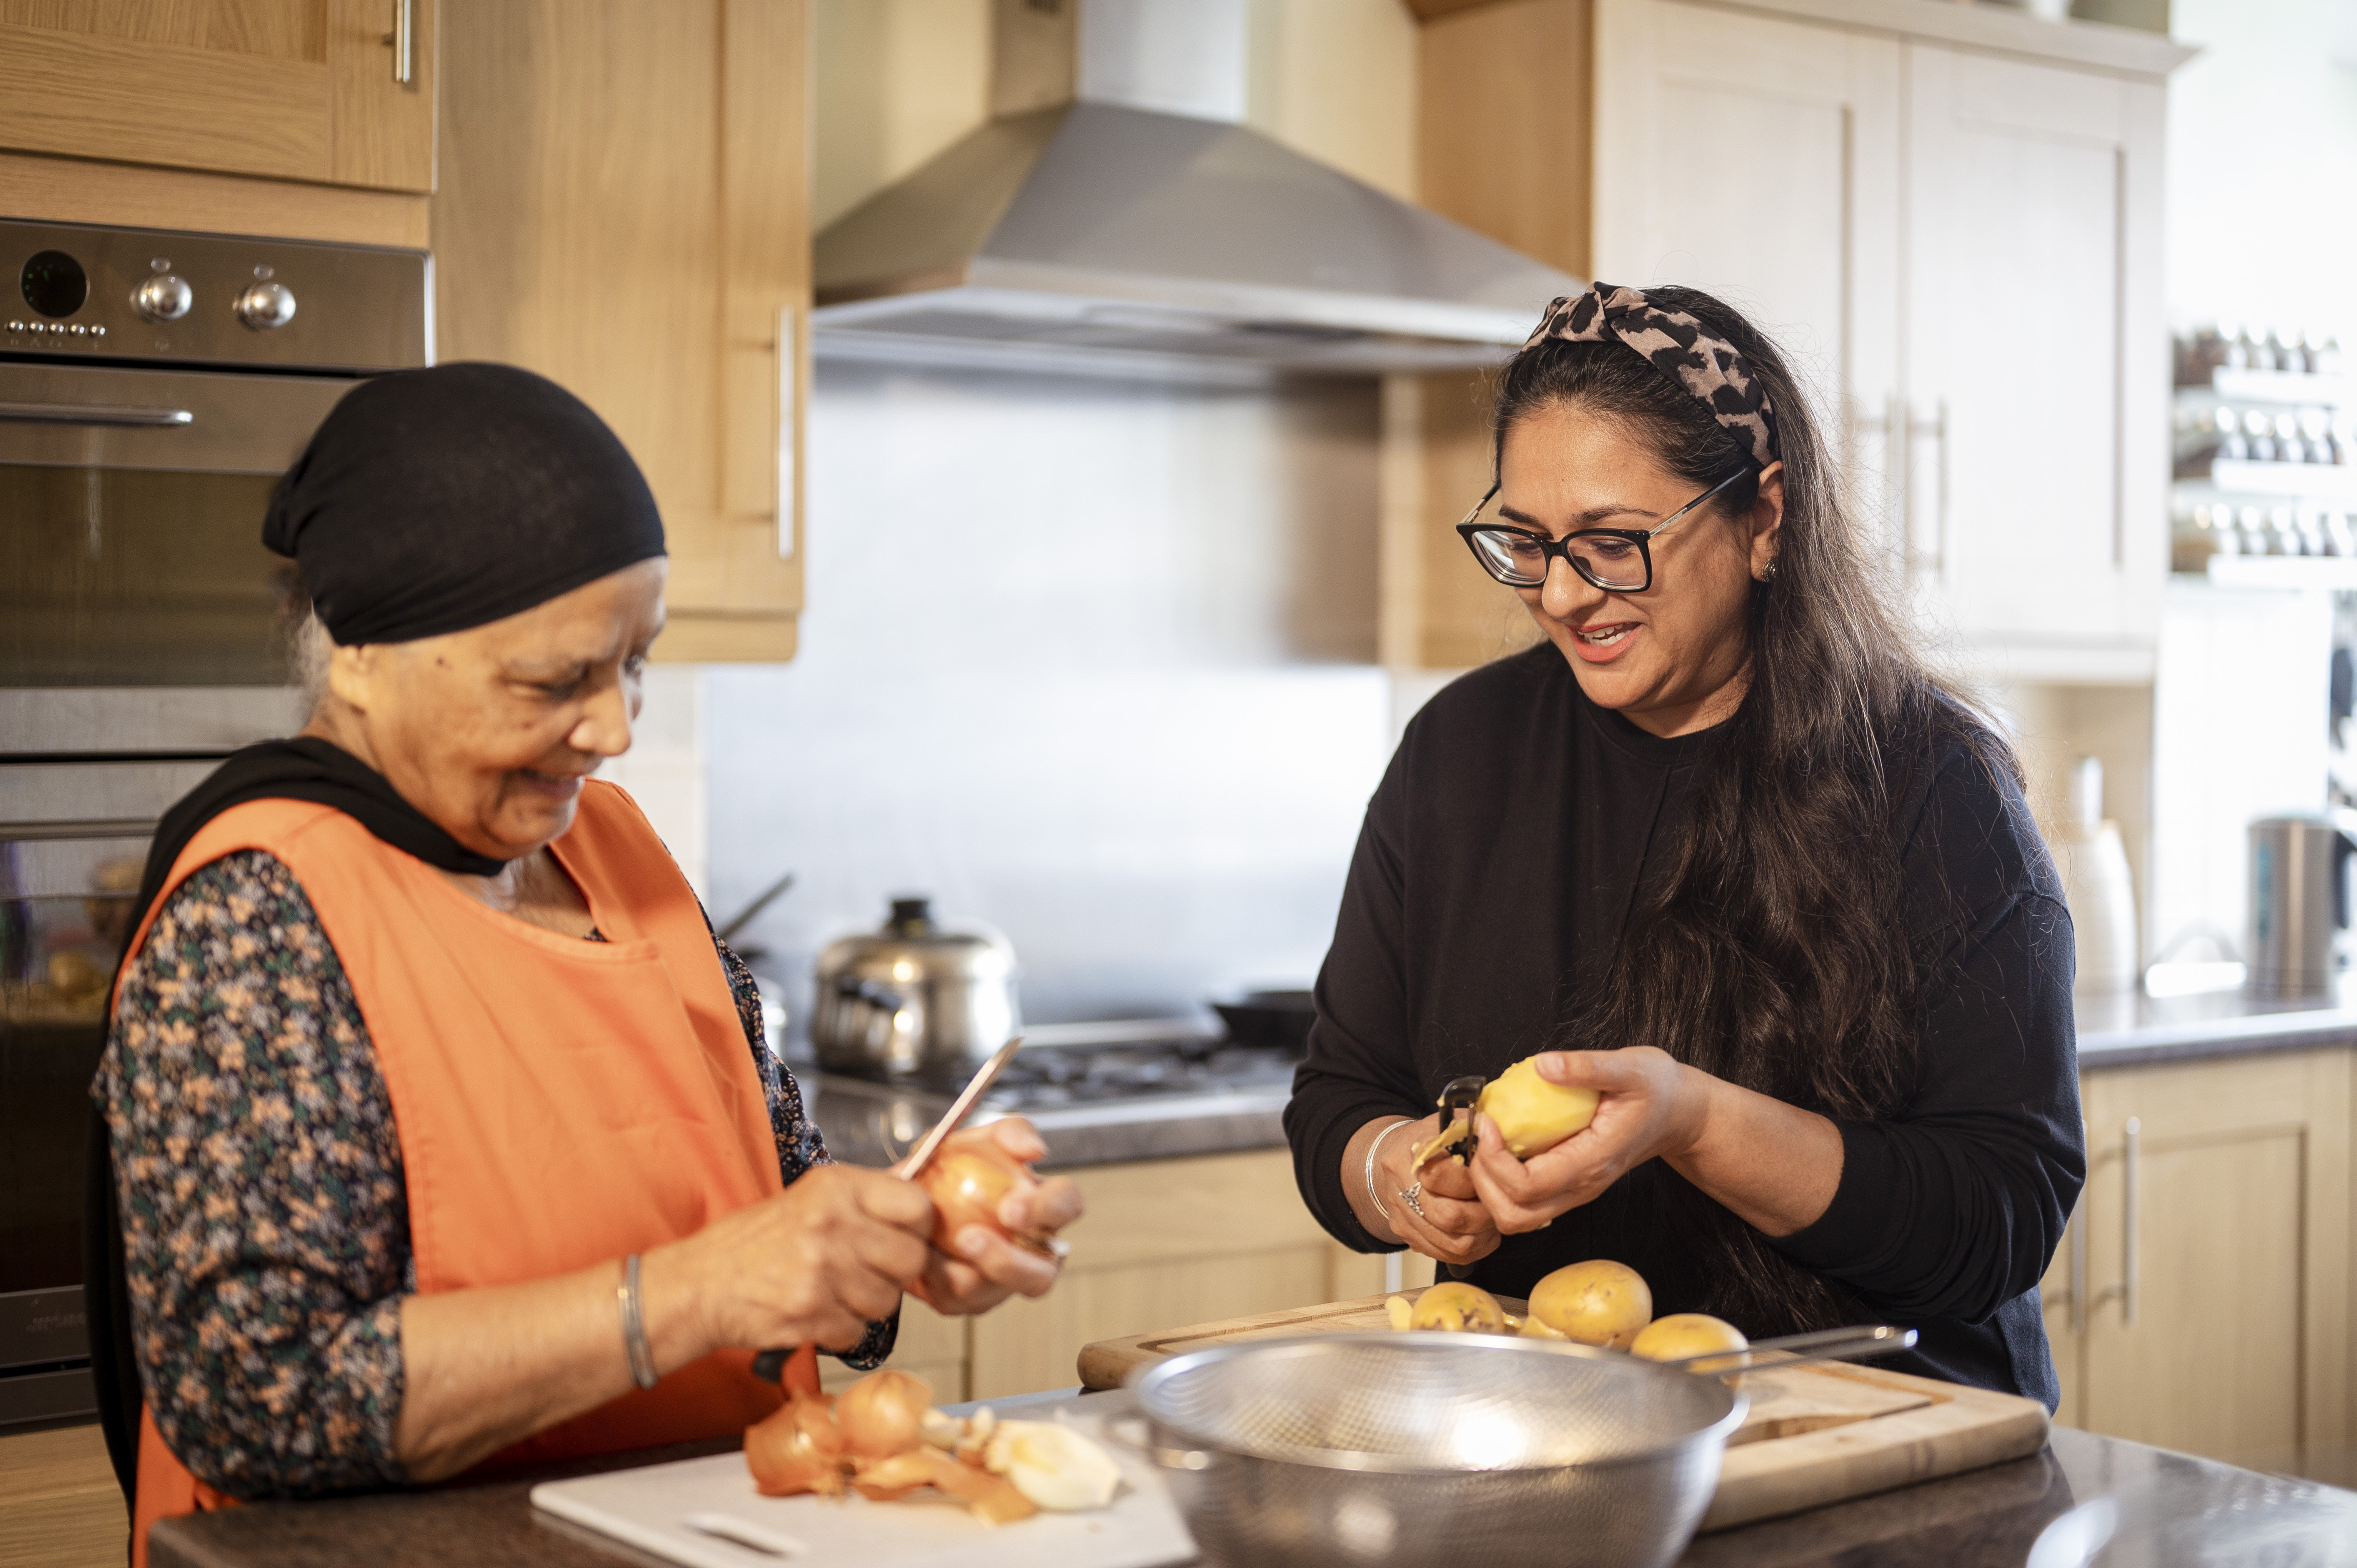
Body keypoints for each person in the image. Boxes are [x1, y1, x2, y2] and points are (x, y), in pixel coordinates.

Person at [87, 363, 1081, 1565]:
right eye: (557, 679)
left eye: (635, 663)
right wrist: (700, 1293)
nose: (615, 729)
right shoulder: (258, 918)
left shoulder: (617, 849)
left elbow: (773, 1204)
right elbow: (259, 1399)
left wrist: (896, 1242)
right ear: (359, 654)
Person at [1283, 283, 2083, 1404]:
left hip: (1885, 1444)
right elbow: (1338, 1101)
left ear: (1763, 518)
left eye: (1612, 544)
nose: (1561, 594)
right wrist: (1409, 1181)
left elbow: (1999, 1215)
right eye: (1526, 542)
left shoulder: (1928, 784)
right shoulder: (1458, 755)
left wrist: (1693, 1121)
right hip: (1551, 1442)